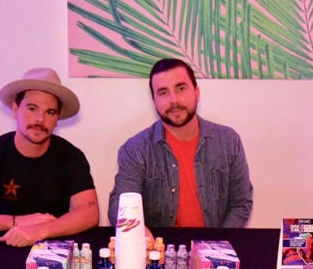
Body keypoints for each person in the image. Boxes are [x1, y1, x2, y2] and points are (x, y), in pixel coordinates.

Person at [0, 67, 99, 246]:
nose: (40, 119)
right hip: (0, 246)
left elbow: (89, 213)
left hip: (52, 251)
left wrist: (39, 231)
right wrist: (15, 222)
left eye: (50, 112)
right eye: (32, 108)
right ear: (16, 110)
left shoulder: (71, 156)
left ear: (57, 119)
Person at [108, 58, 253, 228]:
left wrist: (218, 241)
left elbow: (240, 204)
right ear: (154, 101)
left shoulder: (228, 141)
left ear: (197, 93)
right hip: (159, 244)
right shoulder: (135, 150)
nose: (173, 100)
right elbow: (119, 207)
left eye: (181, 88)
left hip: (217, 242)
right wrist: (139, 233)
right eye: (163, 92)